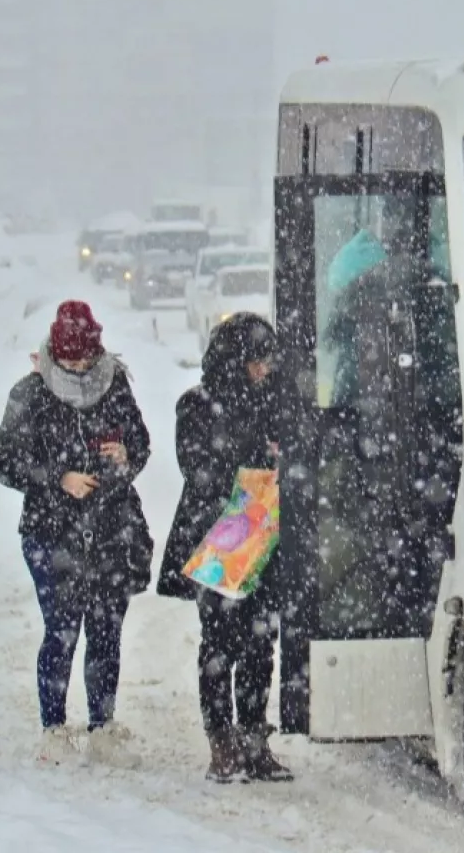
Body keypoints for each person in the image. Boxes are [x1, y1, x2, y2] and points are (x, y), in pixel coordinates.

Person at [0, 301, 153, 768]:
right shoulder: (30, 393)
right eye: (72, 361)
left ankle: (103, 724)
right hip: (51, 532)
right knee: (62, 630)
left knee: (106, 631)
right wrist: (58, 476)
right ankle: (54, 727)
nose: (81, 368)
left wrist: (127, 455)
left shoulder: (115, 384)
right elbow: (5, 463)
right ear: (54, 355)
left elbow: (142, 445)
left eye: (87, 360)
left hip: (111, 528)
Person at [158, 312, 291, 783]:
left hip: (262, 537)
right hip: (218, 539)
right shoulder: (196, 405)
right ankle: (222, 742)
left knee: (260, 643)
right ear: (236, 361)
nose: (265, 370)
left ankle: (255, 739)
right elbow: (198, 470)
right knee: (220, 643)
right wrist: (254, 460)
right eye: (258, 361)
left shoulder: (274, 400)